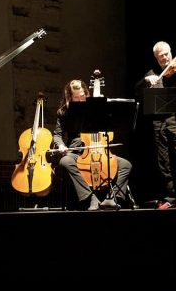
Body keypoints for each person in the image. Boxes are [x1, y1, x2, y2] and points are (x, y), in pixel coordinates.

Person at [49, 79, 132, 210]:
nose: (81, 100)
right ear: (70, 97)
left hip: (99, 149)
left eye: (82, 96)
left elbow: (109, 128)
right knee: (65, 161)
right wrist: (60, 145)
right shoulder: (64, 113)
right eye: (76, 97)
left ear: (86, 93)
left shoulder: (96, 109)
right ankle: (90, 198)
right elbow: (57, 135)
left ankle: (112, 197)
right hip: (77, 151)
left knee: (125, 165)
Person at [137, 41, 176, 209]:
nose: (164, 58)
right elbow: (137, 91)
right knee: (164, 162)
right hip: (158, 121)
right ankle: (170, 197)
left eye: (166, 54)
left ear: (171, 52)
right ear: (156, 58)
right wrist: (146, 81)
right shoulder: (153, 72)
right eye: (160, 56)